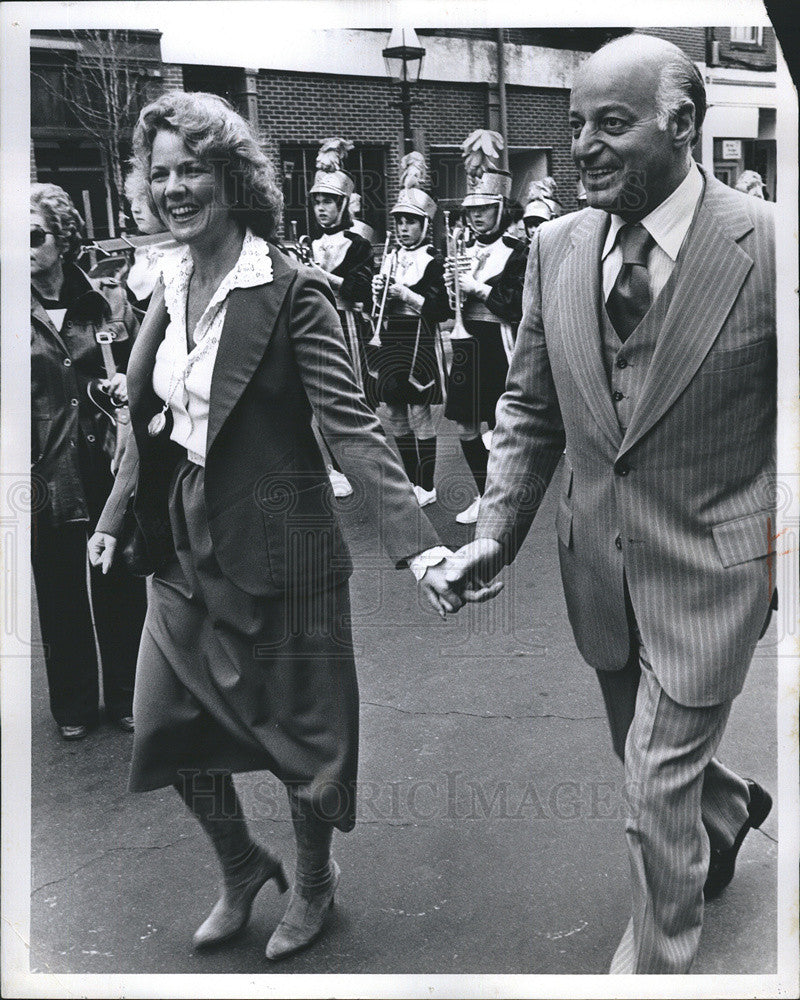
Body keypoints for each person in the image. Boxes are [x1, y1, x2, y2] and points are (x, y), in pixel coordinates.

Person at [87, 91, 458, 961]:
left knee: (305, 735)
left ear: (234, 177)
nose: (175, 188)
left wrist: (422, 546)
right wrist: (112, 515)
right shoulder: (169, 280)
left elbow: (353, 426)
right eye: (162, 172)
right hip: (182, 537)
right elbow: (146, 410)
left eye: (193, 170)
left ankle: (316, 883)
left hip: (279, 543)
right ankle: (241, 865)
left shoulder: (292, 292)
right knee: (163, 723)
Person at [441, 34, 776, 973]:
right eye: (575, 124)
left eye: (611, 125)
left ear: (683, 125)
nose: (581, 145)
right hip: (599, 569)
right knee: (643, 750)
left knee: (650, 786)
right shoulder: (555, 246)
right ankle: (732, 805)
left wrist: (780, 553)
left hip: (716, 571)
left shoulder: (769, 245)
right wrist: (492, 536)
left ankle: (659, 962)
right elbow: (529, 408)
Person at [30, 183, 145, 740]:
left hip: (105, 462)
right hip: (41, 472)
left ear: (62, 239)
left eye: (32, 235)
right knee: (57, 591)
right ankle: (73, 704)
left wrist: (128, 385)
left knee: (121, 579)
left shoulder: (108, 299)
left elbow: (140, 372)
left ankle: (130, 695)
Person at [443, 130, 528, 524]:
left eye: (483, 208)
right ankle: (481, 491)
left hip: (498, 339)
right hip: (466, 341)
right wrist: (452, 292)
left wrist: (474, 286)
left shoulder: (518, 252)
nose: (474, 216)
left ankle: (502, 495)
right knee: (464, 421)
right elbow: (447, 309)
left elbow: (515, 306)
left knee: (501, 421)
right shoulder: (460, 248)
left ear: (500, 208)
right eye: (470, 209)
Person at [370, 152, 449, 507]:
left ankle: (427, 484)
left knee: (419, 414)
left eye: (410, 222)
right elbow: (378, 309)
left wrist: (407, 294)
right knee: (395, 413)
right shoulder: (388, 256)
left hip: (418, 337)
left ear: (424, 225)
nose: (403, 228)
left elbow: (440, 310)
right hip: (390, 336)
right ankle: (411, 479)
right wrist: (379, 294)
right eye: (399, 221)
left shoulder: (433, 260)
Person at [308, 137, 376, 498]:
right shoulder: (307, 243)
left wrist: (324, 277)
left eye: (328, 202)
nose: (321, 208)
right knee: (317, 396)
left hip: (347, 325)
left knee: (351, 395)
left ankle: (360, 464)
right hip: (313, 325)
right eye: (317, 201)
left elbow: (361, 289)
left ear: (343, 205)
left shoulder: (359, 244)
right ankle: (334, 467)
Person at [123, 168, 182, 318]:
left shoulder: (189, 253)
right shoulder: (140, 249)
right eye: (133, 199)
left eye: (143, 199)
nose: (134, 209)